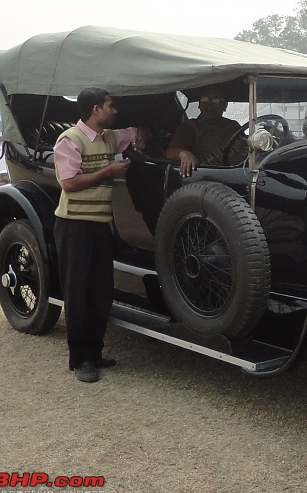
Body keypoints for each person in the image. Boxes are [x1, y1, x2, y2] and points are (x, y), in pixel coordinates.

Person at [53, 87, 149, 383]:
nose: (114, 110)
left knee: (101, 293)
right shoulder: (70, 140)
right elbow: (69, 183)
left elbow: (134, 132)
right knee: (78, 294)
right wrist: (109, 171)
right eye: (110, 106)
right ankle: (79, 359)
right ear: (96, 109)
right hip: (74, 226)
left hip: (99, 226)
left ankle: (94, 353)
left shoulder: (108, 137)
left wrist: (142, 134)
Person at [165, 86, 242, 177]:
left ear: (225, 106)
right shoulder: (190, 127)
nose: (209, 104)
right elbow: (170, 152)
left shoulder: (233, 126)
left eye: (216, 100)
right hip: (206, 178)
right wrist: (184, 154)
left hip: (238, 173)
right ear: (199, 104)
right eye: (205, 99)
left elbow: (245, 146)